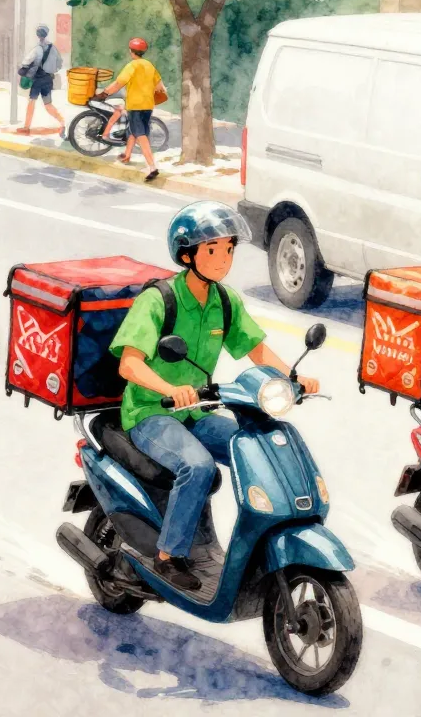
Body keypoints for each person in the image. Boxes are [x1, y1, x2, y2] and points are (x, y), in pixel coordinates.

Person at [110, 201, 320, 590]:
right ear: (187, 254)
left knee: (258, 445)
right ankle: (168, 557)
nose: (224, 259)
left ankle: (259, 539)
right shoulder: (158, 300)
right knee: (199, 467)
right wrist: (170, 389)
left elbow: (256, 350)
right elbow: (130, 365)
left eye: (229, 249)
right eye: (212, 250)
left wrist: (293, 378)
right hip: (151, 413)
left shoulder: (224, 301)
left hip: (197, 412)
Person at [97, 37, 166, 182]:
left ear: (131, 51)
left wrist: (104, 93)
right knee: (133, 131)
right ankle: (127, 156)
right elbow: (160, 86)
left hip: (135, 105)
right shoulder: (149, 65)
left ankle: (152, 167)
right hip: (148, 105)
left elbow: (118, 83)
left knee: (140, 135)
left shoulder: (132, 66)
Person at [17, 24, 65, 137]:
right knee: (48, 104)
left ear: (38, 35)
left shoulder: (37, 49)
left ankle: (26, 127)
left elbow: (26, 62)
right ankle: (63, 122)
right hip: (48, 79)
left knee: (31, 101)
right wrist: (51, 69)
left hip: (38, 79)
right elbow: (59, 63)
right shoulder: (53, 48)